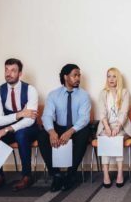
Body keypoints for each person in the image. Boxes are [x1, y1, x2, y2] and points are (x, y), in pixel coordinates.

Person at [0, 58, 39, 192]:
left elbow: (30, 120)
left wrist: (7, 128)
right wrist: (19, 114)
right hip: (9, 127)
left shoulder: (31, 90)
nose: (8, 74)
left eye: (13, 70)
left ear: (20, 73)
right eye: (6, 70)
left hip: (28, 128)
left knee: (21, 134)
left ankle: (27, 175)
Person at [38, 64, 91, 192]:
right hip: (58, 127)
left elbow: (84, 118)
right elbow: (47, 116)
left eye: (79, 75)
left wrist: (71, 131)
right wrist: (51, 132)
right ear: (66, 77)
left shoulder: (84, 95)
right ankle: (56, 175)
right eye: (75, 75)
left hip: (76, 128)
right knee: (42, 136)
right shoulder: (53, 95)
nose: (78, 78)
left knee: (84, 134)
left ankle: (70, 174)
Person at [96, 68, 131, 188]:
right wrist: (107, 128)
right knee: (105, 139)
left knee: (117, 138)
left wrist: (117, 127)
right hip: (106, 126)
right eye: (109, 76)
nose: (111, 79)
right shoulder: (103, 93)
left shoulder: (124, 92)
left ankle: (119, 174)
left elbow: (124, 112)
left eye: (114, 76)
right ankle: (106, 174)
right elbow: (102, 112)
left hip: (122, 126)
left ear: (118, 78)